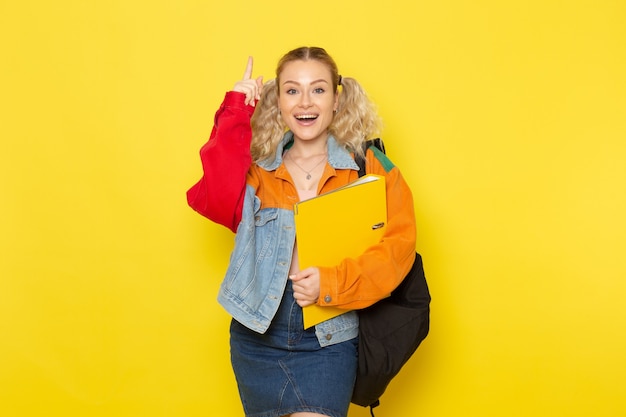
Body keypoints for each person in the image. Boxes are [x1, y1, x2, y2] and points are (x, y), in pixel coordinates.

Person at [187, 46, 417, 417]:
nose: (305, 102)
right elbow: (213, 199)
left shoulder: (369, 166)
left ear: (337, 100)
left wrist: (332, 284)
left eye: (318, 89)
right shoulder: (257, 171)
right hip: (256, 335)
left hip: (329, 337)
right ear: (277, 101)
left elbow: (399, 247)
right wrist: (235, 111)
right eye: (292, 90)